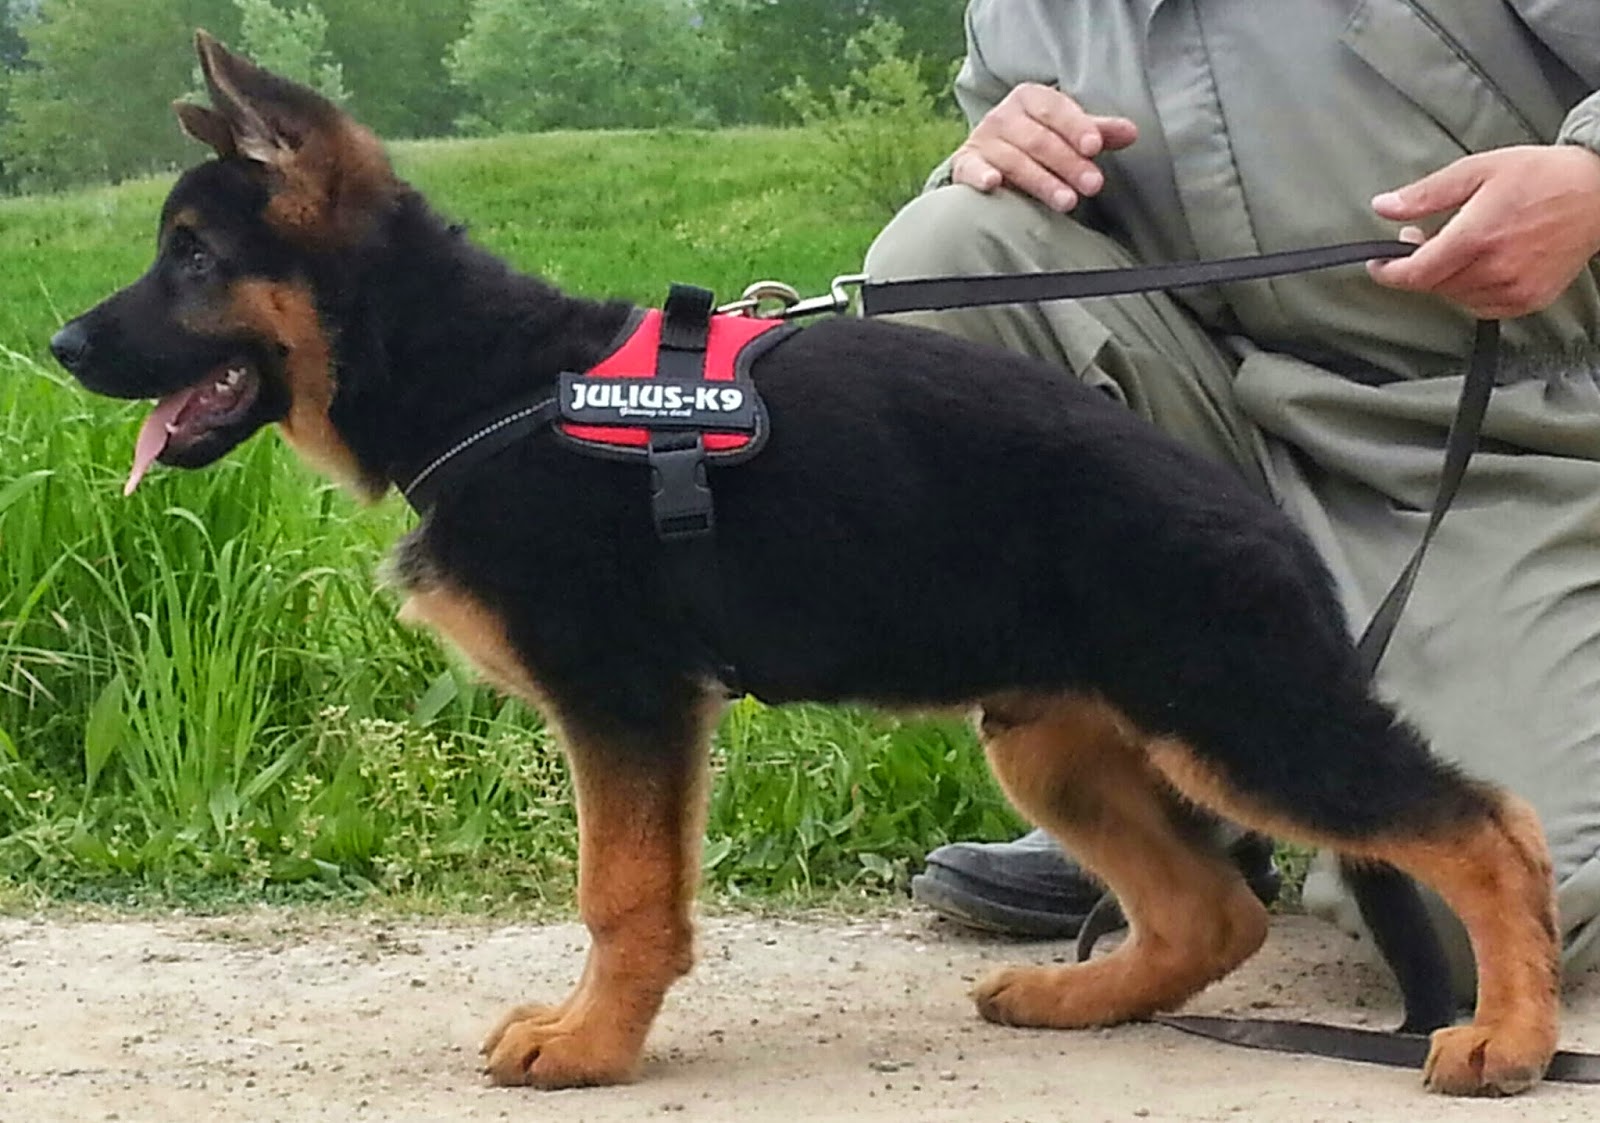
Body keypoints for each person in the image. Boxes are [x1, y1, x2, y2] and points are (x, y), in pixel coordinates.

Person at [866, 0, 1600, 989]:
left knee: (1471, 908)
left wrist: (1590, 180)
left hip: (1520, 441)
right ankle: (1151, 807)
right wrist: (996, 153)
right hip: (1212, 425)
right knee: (947, 255)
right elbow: (1005, 221)